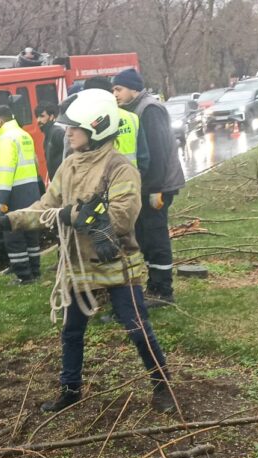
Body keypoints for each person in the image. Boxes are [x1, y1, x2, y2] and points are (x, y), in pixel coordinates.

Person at [0, 89, 174, 414]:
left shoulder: (120, 168)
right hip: (77, 267)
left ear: (97, 128)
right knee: (72, 331)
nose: (69, 132)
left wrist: (71, 214)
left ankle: (162, 386)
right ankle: (70, 390)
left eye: (75, 127)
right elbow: (47, 206)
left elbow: (121, 216)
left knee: (135, 325)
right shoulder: (70, 165)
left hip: (117, 265)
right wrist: (10, 221)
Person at [112, 68, 186, 307]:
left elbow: (158, 152)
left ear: (134, 88)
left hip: (157, 186)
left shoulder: (149, 109)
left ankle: (163, 291)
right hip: (145, 187)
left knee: (156, 237)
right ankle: (154, 285)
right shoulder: (132, 110)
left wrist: (154, 189)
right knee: (145, 236)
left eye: (118, 89)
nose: (115, 94)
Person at [0, 105, 43, 284]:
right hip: (31, 190)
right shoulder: (24, 134)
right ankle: (35, 270)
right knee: (30, 232)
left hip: (14, 193)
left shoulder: (6, 139)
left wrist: (2, 198)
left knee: (13, 234)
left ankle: (24, 276)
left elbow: (5, 170)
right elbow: (35, 162)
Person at [82, 77, 149, 173]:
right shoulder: (131, 117)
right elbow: (143, 159)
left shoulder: (82, 121)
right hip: (131, 180)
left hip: (97, 184)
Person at [35, 104, 66, 181]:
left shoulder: (57, 132)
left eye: (42, 116)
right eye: (37, 117)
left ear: (51, 117)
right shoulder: (48, 134)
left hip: (64, 180)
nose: (38, 120)